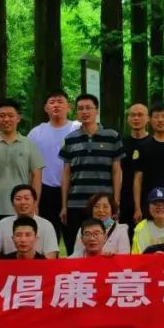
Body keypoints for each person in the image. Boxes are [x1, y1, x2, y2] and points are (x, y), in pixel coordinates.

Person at [59, 93, 123, 252]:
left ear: (97, 111)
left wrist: (115, 203)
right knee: (75, 247)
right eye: (80, 108)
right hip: (76, 203)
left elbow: (117, 171)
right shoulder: (70, 139)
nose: (84, 112)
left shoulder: (112, 136)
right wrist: (64, 206)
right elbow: (66, 173)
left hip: (103, 206)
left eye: (88, 108)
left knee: (105, 246)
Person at [0, 98, 45, 234]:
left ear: (18, 118)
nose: (6, 119)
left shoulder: (29, 145)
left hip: (22, 209)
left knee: (21, 243)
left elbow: (37, 176)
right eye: (2, 115)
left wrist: (35, 204)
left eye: (10, 115)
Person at [28, 90, 79, 242]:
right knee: (48, 238)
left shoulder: (77, 128)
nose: (56, 105)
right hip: (46, 190)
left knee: (74, 236)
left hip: (73, 189)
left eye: (60, 102)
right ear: (45, 108)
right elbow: (30, 166)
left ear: (69, 107)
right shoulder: (36, 133)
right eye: (52, 102)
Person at [0, 185, 60, 259]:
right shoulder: (2, 223)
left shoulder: (47, 225)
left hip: (38, 265)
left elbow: (51, 256)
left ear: (35, 202)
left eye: (27, 198)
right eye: (18, 199)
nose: (23, 202)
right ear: (12, 203)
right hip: (8, 265)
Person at [118, 102, 152, 234]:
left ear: (148, 118)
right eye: (132, 115)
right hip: (124, 199)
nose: (136, 118)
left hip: (149, 199)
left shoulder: (153, 143)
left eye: (140, 115)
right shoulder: (120, 144)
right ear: (128, 118)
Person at [131, 187, 164, 254]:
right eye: (155, 204)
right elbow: (138, 256)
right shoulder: (141, 228)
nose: (160, 207)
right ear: (148, 206)